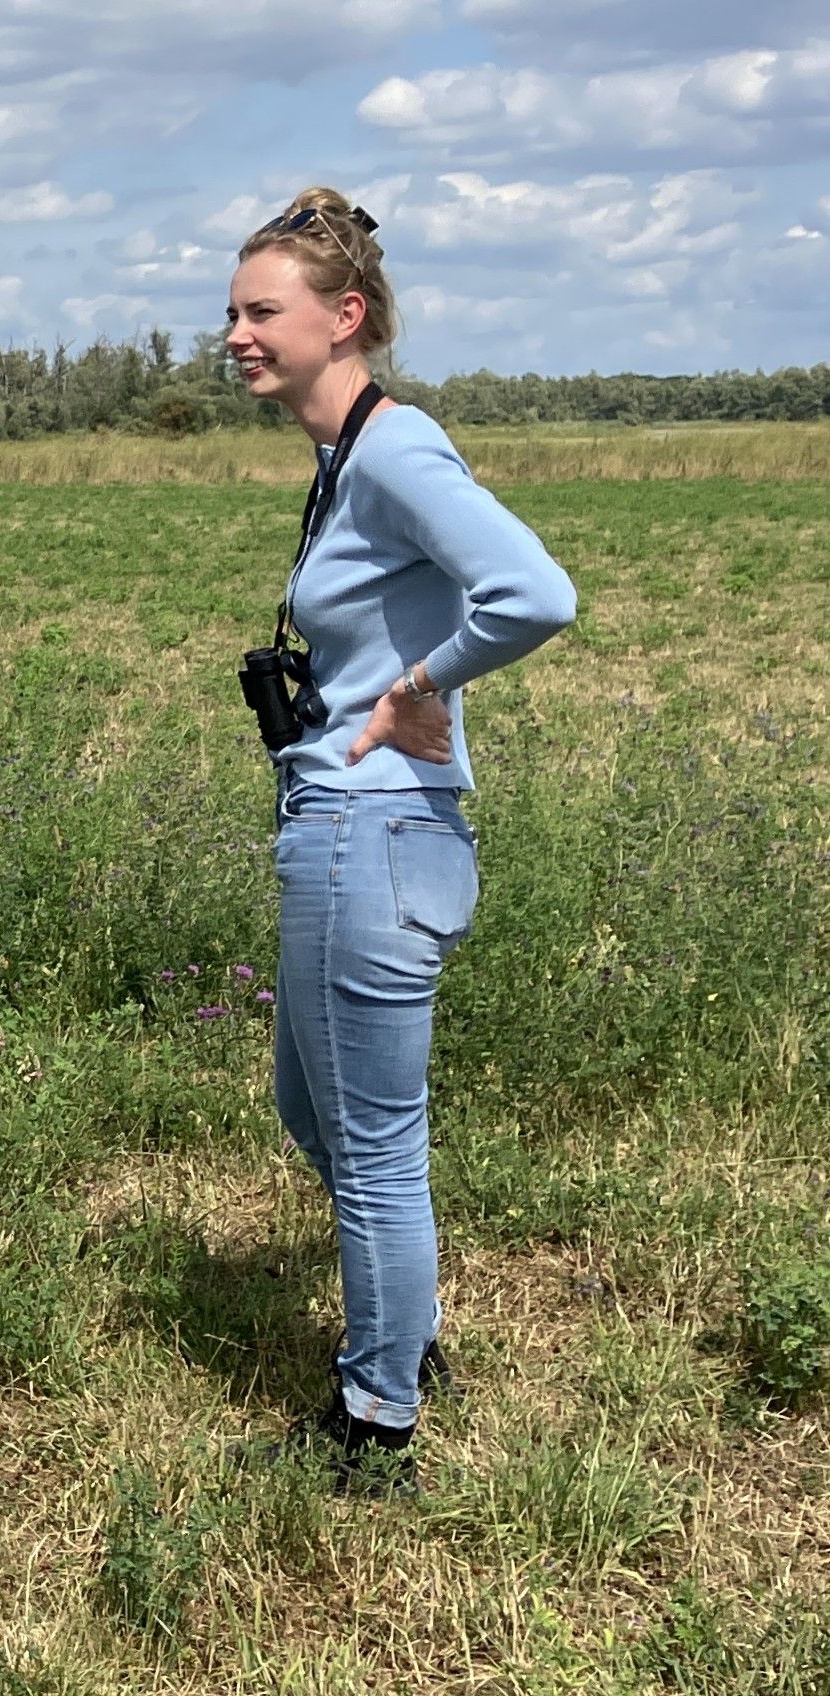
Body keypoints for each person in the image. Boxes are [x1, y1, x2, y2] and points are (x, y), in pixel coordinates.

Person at [225, 186, 575, 1486]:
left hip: (369, 835)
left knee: (368, 1150)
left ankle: (375, 1417)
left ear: (343, 316)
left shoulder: (392, 448)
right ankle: (402, 1320)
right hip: (354, 831)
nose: (236, 335)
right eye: (230, 311)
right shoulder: (342, 457)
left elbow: (531, 591)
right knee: (312, 1115)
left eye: (262, 311)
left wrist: (424, 682)